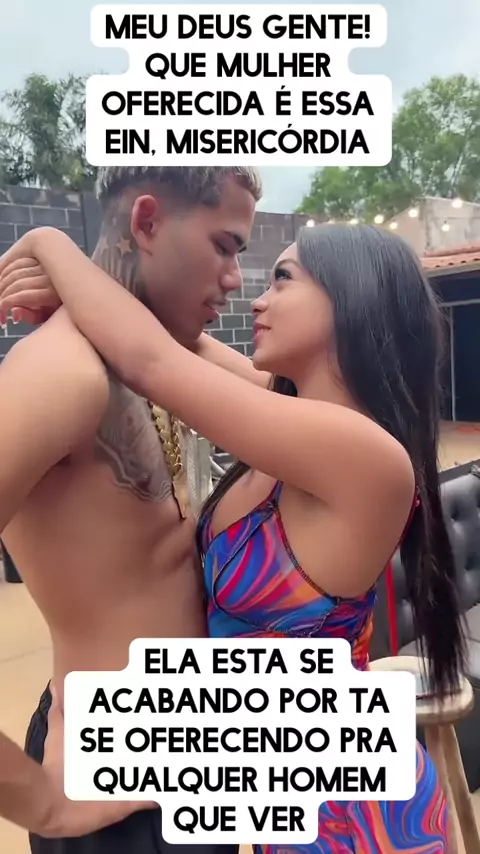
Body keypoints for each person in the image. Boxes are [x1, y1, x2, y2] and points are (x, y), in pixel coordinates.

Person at [0, 221, 466, 853]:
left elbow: (151, 358)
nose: (258, 300)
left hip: (355, 817)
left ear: (352, 298)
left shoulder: (366, 457)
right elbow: (169, 335)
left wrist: (49, 244)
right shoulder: (286, 415)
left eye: (283, 278)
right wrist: (83, 290)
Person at [0, 165, 268, 853]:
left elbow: (291, 400)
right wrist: (41, 804)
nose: (235, 278)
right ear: (147, 221)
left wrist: (74, 275)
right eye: (224, 246)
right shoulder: (63, 375)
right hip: (116, 797)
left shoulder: (154, 361)